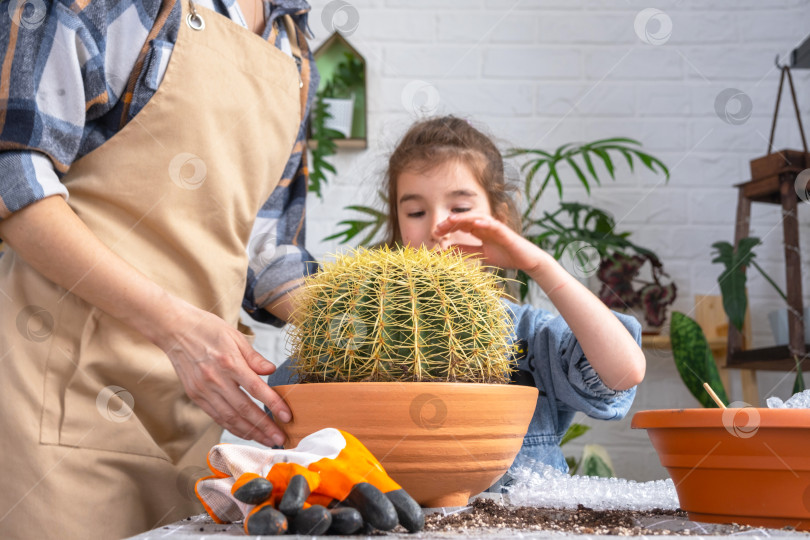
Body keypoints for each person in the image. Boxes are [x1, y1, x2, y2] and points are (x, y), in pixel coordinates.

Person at [0, 1, 318, 538]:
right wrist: (177, 330)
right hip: (57, 394)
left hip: (195, 414)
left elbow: (267, 244)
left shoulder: (292, 37)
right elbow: (15, 181)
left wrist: (370, 325)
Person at [270, 115, 646, 483]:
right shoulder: (359, 329)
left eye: (460, 208)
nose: (437, 227)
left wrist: (538, 264)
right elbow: (292, 404)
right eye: (415, 211)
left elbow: (623, 372)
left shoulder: (530, 333)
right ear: (397, 222)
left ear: (498, 217)